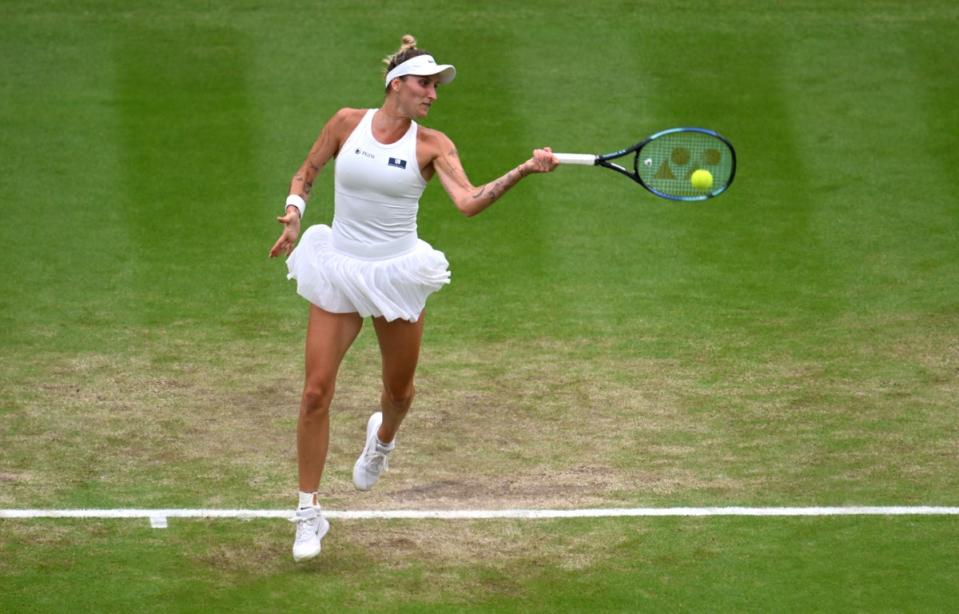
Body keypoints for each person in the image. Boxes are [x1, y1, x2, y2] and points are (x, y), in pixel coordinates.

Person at [268, 34, 558, 562]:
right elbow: (306, 174)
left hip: (396, 274)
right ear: (396, 86)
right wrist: (294, 214)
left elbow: (468, 202)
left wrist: (523, 170)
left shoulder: (433, 146)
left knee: (398, 392)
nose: (433, 94)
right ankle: (309, 513)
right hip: (339, 264)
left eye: (435, 87)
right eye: (425, 84)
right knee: (314, 393)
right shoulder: (344, 124)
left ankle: (382, 440)